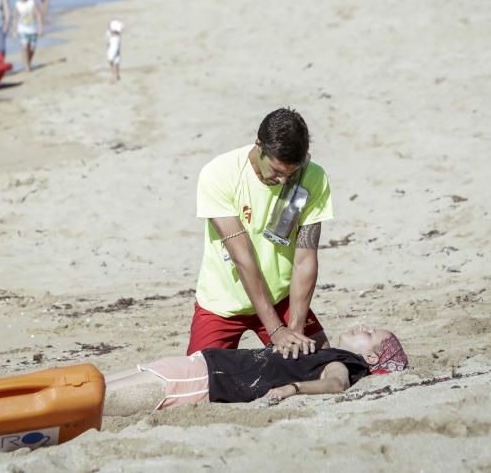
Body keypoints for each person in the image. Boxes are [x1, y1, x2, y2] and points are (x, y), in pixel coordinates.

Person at [188, 108, 334, 358]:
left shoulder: (313, 176)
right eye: (277, 172)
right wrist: (276, 329)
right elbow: (242, 258)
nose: (283, 181)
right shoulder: (218, 174)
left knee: (319, 362)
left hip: (282, 299)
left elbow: (305, 259)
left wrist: (294, 331)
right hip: (223, 304)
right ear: (259, 145)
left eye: (291, 174)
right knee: (201, 381)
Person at [103, 325, 408, 415]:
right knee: (94, 383)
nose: (364, 326)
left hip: (199, 383)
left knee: (95, 399)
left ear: (369, 357)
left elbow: (337, 384)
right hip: (197, 365)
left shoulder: (341, 363)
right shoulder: (326, 353)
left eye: (371, 334)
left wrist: (294, 388)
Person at [12, 0, 43, 72]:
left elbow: (38, 14)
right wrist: (14, 31)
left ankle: (28, 62)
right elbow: (15, 18)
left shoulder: (32, 2)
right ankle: (26, 66)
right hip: (22, 29)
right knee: (25, 47)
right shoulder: (17, 4)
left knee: (32, 48)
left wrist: (40, 27)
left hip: (33, 29)